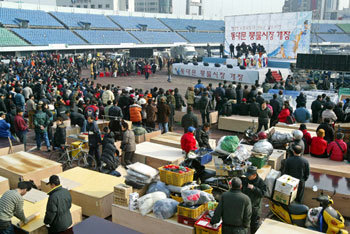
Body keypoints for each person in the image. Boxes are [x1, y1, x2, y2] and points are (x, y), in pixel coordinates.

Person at [241, 166, 267, 234]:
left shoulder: (260, 182)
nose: (248, 177)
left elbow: (262, 193)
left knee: (254, 225)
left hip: (255, 207)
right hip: (245, 206)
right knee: (244, 223)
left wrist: (254, 188)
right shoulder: (246, 180)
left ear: (254, 175)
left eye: (249, 176)